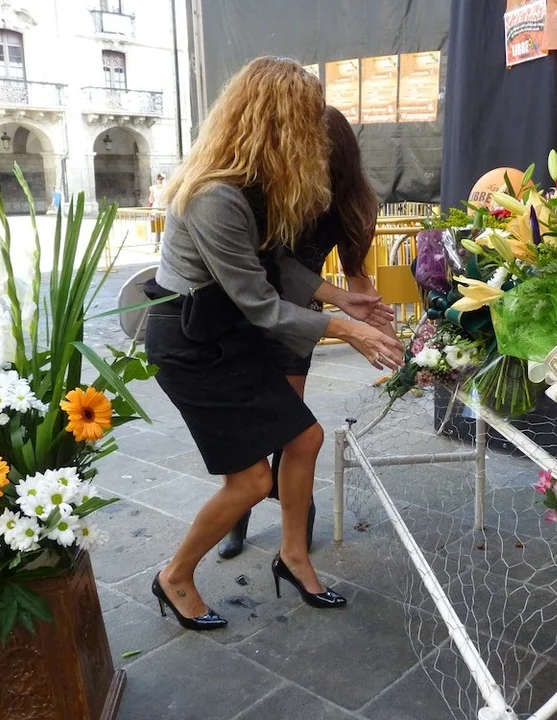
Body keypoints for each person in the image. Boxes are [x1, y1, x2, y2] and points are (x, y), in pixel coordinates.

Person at [143, 57, 404, 631]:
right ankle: (175, 575)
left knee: (305, 437)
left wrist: (343, 300)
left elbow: (277, 264)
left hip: (226, 331)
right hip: (192, 344)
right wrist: (351, 329)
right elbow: (259, 302)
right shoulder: (214, 196)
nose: (319, 134)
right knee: (252, 480)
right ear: (279, 122)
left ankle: (293, 556)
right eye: (310, 120)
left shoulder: (252, 185)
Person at [218, 105, 398, 559]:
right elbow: (275, 264)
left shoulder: (352, 203)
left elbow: (358, 279)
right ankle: (238, 507)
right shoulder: (281, 189)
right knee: (246, 420)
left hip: (299, 318)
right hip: (252, 306)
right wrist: (347, 312)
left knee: (290, 421)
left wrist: (382, 331)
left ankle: (295, 511)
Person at [149, 173, 167, 252]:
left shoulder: (166, 187)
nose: (160, 180)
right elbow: (151, 200)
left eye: (162, 178)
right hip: (156, 209)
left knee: (166, 228)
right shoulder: (153, 188)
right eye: (159, 178)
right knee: (157, 229)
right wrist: (151, 193)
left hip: (164, 209)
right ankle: (157, 246)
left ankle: (166, 247)